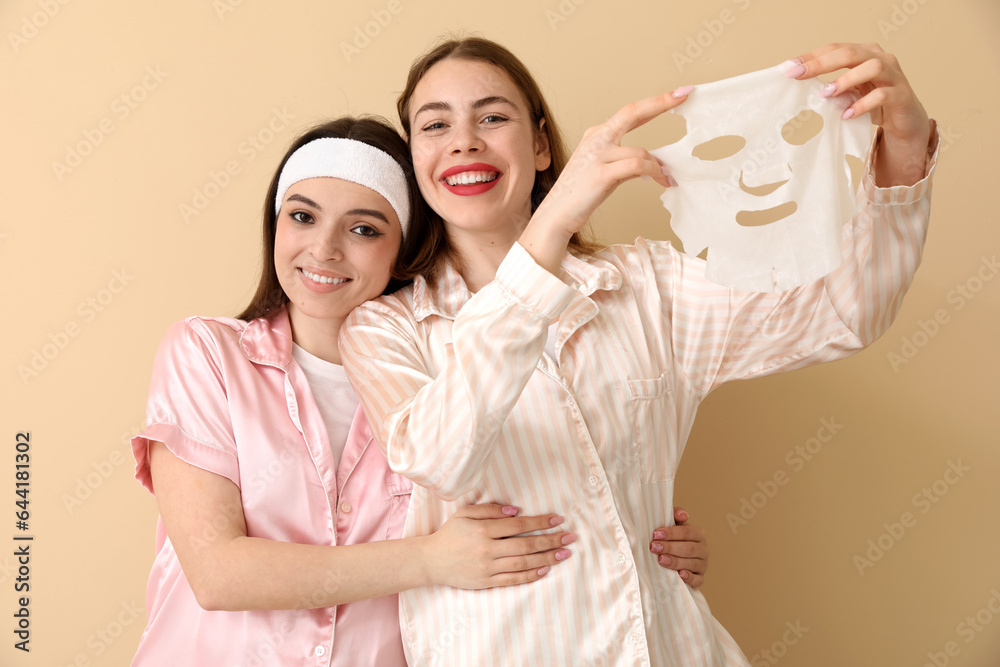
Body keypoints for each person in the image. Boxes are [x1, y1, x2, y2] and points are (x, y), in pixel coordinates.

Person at [339, 38, 939, 666]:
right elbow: (439, 456)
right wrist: (548, 230)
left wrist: (902, 148)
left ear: (541, 145)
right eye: (435, 125)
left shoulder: (650, 286)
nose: (463, 141)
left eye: (492, 117)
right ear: (415, 159)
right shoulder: (385, 328)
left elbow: (842, 312)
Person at [130, 116, 710, 666]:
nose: (325, 249)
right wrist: (429, 560)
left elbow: (539, 509)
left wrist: (643, 544)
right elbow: (218, 574)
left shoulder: (451, 382)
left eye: (363, 229)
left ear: (404, 248)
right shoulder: (207, 354)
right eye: (302, 217)